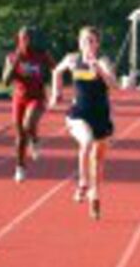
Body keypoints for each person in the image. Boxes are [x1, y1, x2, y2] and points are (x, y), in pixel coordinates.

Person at [49, 26, 120, 219]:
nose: (87, 44)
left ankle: (95, 195)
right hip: (78, 113)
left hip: (101, 116)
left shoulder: (103, 61)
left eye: (91, 40)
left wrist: (100, 72)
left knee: (98, 160)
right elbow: (56, 72)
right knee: (86, 141)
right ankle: (82, 183)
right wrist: (57, 93)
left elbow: (114, 85)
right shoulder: (72, 60)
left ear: (97, 44)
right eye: (84, 40)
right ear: (79, 42)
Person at [2, 26, 56, 182]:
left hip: (37, 97)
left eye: (29, 38)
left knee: (29, 124)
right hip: (19, 98)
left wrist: (55, 90)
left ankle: (35, 140)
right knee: (20, 136)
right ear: (18, 39)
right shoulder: (12, 57)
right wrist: (15, 63)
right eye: (23, 38)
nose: (26, 41)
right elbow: (5, 81)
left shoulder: (42, 55)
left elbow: (56, 70)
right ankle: (20, 167)